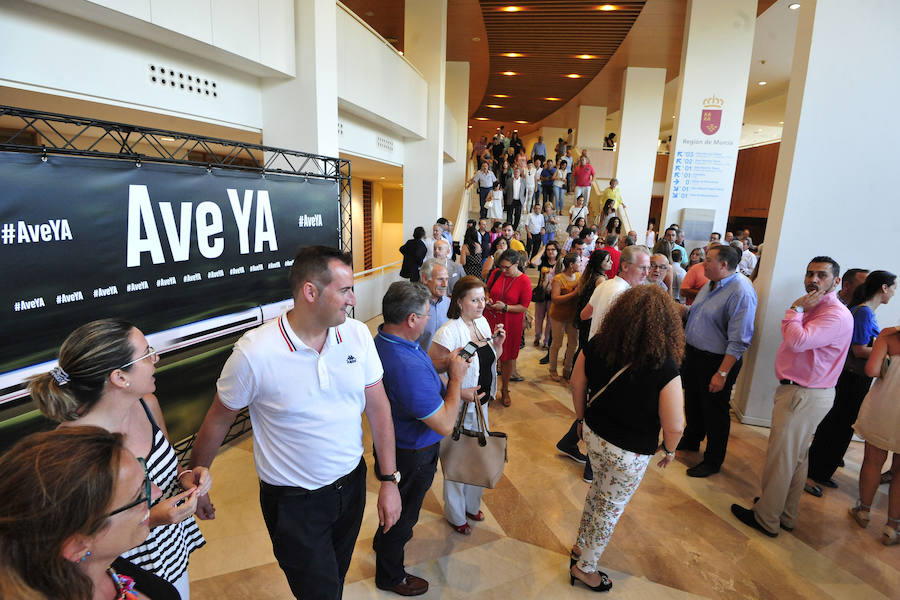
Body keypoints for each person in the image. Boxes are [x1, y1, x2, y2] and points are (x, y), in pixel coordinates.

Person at [189, 246, 402, 599]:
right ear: (310, 292)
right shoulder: (254, 353)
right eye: (345, 290)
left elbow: (379, 409)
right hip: (293, 504)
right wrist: (199, 479)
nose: (353, 299)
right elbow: (218, 419)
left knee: (334, 579)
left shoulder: (357, 335)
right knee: (318, 592)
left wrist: (389, 480)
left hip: (350, 488)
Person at [30, 319, 209, 598]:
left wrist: (187, 477)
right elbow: (76, 538)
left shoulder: (147, 405)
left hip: (172, 548)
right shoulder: (73, 448)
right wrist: (151, 518)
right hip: (126, 567)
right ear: (119, 377)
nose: (156, 358)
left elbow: (169, 464)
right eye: (147, 353)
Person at [569, 285, 685, 592]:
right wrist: (670, 450)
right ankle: (585, 569)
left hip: (594, 434)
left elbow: (576, 383)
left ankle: (581, 545)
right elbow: (675, 425)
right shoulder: (665, 366)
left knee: (598, 493)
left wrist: (580, 419)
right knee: (611, 506)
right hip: (630, 452)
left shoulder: (597, 344)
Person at [730, 257, 853, 537]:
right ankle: (784, 513)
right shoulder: (817, 308)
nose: (813, 279)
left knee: (781, 458)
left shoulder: (833, 313)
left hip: (804, 394)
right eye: (810, 273)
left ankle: (766, 519)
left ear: (836, 282)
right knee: (796, 459)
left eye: (821, 275)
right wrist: (800, 311)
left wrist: (795, 308)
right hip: (801, 392)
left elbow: (797, 341)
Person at [371, 281, 472, 596]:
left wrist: (443, 364)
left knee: (395, 510)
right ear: (411, 320)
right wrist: (456, 378)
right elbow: (443, 423)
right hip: (412, 453)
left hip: (397, 444)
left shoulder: (386, 339)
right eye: (427, 314)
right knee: (403, 517)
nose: (430, 319)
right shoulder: (406, 366)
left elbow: (420, 368)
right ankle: (390, 576)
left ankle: (380, 542)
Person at [0, 426, 179, 600]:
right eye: (138, 495)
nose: (156, 492)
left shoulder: (100, 564)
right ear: (77, 546)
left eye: (144, 478)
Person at [805, 270, 897, 495]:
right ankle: (815, 473)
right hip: (852, 377)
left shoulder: (863, 310)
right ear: (884, 288)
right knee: (837, 426)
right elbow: (858, 349)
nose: (894, 293)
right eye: (893, 287)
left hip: (854, 377)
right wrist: (886, 352)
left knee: (840, 426)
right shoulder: (863, 312)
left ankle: (822, 471)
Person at [429, 276, 506, 536]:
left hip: (481, 404)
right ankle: (455, 513)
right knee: (458, 458)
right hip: (459, 406)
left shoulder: (482, 323)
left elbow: (489, 361)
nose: (481, 304)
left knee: (477, 457)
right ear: (459, 302)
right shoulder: (448, 331)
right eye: (475, 300)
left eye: (483, 299)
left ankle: (472, 505)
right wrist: (459, 392)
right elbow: (433, 371)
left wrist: (497, 345)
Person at [679, 244, 758, 478]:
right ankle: (691, 439)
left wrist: (722, 373)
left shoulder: (740, 291)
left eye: (709, 260)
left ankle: (713, 460)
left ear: (724, 265)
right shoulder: (711, 284)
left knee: (715, 411)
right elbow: (698, 313)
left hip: (717, 361)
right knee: (692, 401)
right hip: (694, 354)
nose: (703, 264)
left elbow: (740, 340)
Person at [850, 324, 900, 545]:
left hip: (882, 406)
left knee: (872, 461)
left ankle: (863, 510)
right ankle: (892, 527)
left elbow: (871, 370)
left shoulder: (889, 334)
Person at [484, 249, 531, 406]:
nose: (503, 270)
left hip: (511, 322)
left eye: (507, 267)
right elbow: (487, 290)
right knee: (488, 355)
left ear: (517, 264)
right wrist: (488, 299)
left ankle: (505, 389)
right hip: (491, 318)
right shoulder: (497, 273)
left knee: (507, 358)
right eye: (501, 267)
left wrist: (505, 307)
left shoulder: (524, 281)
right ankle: (487, 389)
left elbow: (524, 306)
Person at [548, 253, 581, 381]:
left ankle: (568, 368)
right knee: (557, 343)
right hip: (558, 316)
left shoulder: (578, 276)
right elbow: (555, 299)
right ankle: (553, 369)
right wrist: (574, 293)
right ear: (571, 265)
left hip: (572, 316)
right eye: (578, 262)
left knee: (573, 343)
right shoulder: (558, 278)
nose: (580, 264)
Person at [417, 258, 451, 350]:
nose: (445, 284)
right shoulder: (413, 305)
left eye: (446, 279)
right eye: (440, 279)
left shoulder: (449, 304)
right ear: (425, 279)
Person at [532, 240, 560, 348]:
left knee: (550, 319)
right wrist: (542, 250)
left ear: (557, 250)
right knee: (538, 317)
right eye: (548, 250)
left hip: (554, 294)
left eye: (553, 249)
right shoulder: (543, 260)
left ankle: (546, 341)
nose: (550, 252)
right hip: (541, 293)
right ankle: (537, 337)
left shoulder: (560, 262)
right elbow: (534, 262)